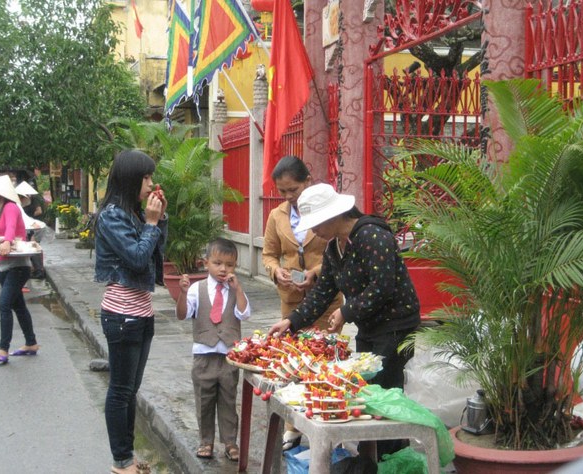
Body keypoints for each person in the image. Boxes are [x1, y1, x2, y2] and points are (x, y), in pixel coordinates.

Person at [268, 183, 421, 459]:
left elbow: (382, 287)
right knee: (371, 392)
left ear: (334, 215)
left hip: (396, 325)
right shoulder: (333, 249)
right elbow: (324, 292)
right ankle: (374, 456)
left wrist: (346, 313)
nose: (314, 232)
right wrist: (291, 322)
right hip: (370, 326)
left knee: (385, 393)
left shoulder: (372, 236)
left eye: (316, 224)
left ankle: (389, 458)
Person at [262, 155, 343, 450]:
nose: (288, 197)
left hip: (326, 298)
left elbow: (337, 248)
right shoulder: (276, 216)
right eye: (282, 191)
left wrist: (317, 272)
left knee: (323, 362)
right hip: (292, 299)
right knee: (293, 363)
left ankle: (324, 419)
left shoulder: (326, 210)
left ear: (307, 181)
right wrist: (276, 271)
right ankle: (292, 426)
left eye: (293, 190)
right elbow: (269, 253)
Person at [94, 150, 168, 474]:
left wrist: (159, 220)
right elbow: (137, 259)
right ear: (131, 180)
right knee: (120, 390)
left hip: (141, 312)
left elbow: (154, 258)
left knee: (130, 391)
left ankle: (127, 457)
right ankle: (121, 461)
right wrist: (151, 224)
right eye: (146, 177)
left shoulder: (134, 214)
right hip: (122, 315)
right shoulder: (111, 215)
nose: (151, 183)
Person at [176, 237, 250, 462]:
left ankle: (230, 442)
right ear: (205, 262)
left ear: (235, 267)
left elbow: (244, 313)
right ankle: (206, 441)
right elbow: (182, 314)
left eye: (229, 265)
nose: (223, 269)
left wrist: (237, 290)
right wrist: (181, 293)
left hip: (229, 356)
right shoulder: (197, 289)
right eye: (217, 263)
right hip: (203, 356)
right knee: (204, 400)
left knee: (228, 400)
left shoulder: (234, 289)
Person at [0, 175, 40, 364]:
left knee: (4, 304)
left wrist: (7, 240)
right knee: (18, 306)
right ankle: (31, 343)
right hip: (5, 266)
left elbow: (11, 228)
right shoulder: (0, 210)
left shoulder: (11, 207)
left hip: (17, 267)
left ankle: (3, 349)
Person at [15, 181, 46, 279]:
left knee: (33, 246)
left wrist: (30, 220)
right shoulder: (17, 204)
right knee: (32, 246)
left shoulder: (34, 199)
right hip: (29, 226)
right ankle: (36, 269)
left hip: (32, 226)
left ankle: (38, 270)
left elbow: (39, 211)